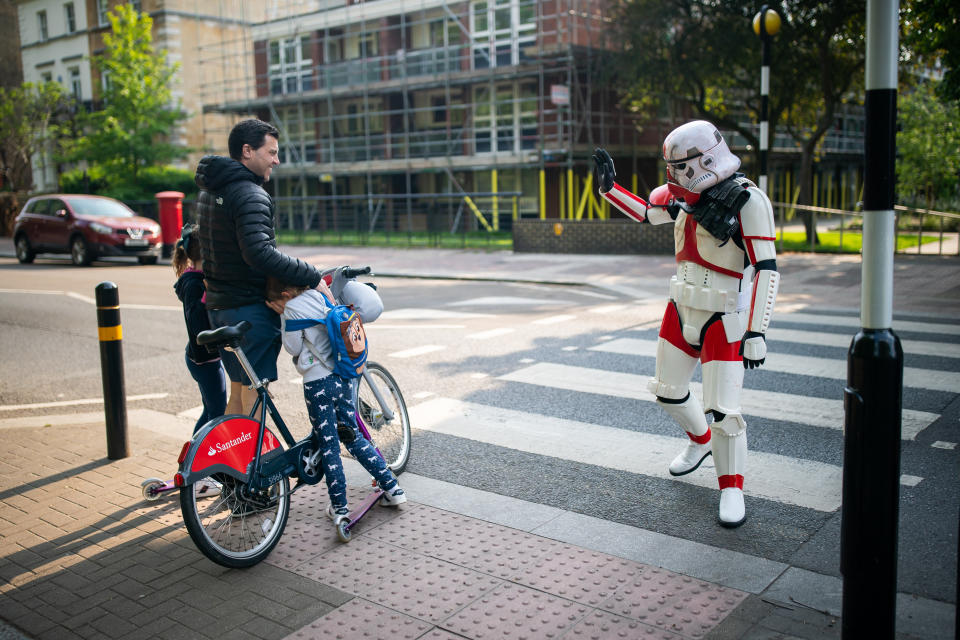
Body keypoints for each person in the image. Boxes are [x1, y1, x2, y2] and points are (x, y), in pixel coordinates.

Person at [592, 120, 780, 528]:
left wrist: (757, 330)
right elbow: (648, 213)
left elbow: (767, 268)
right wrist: (610, 189)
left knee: (724, 410)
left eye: (680, 167)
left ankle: (731, 487)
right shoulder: (681, 196)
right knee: (667, 392)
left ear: (705, 160)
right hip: (681, 306)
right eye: (671, 168)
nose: (673, 176)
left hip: (724, 315)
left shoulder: (747, 201)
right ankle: (701, 444)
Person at [195, 118, 325, 416]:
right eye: (271, 152)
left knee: (239, 391)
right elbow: (260, 254)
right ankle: (257, 460)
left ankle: (232, 462)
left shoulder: (210, 191)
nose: (276, 160)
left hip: (219, 307)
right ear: (247, 151)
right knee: (255, 394)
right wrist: (311, 274)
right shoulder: (250, 194)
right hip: (249, 311)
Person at [266, 276, 407, 526]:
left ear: (285, 294)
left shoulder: (291, 309)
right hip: (342, 377)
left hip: (317, 384)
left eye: (274, 303)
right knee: (353, 437)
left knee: (329, 445)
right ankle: (393, 488)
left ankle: (340, 507)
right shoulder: (319, 295)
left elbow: (292, 347)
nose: (275, 306)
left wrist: (282, 315)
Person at [172, 223, 227, 434]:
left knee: (211, 410)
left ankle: (194, 454)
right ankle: (197, 455)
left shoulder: (196, 279)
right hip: (203, 361)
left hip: (205, 359)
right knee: (216, 412)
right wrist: (207, 296)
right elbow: (196, 324)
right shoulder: (194, 284)